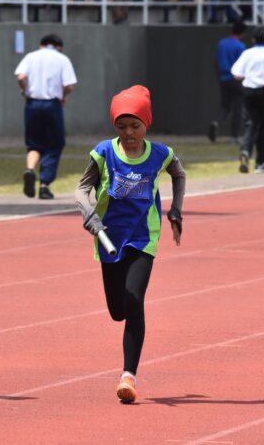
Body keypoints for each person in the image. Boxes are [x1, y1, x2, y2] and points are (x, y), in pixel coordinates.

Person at [74, 85, 185, 404]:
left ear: (146, 124)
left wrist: (175, 210)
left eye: (135, 125)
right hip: (109, 238)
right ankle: (123, 324)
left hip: (143, 237)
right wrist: (89, 216)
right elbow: (82, 191)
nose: (128, 132)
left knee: (134, 298)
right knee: (116, 310)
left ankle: (128, 376)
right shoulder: (104, 152)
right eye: (121, 126)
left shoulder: (161, 154)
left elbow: (179, 174)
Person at [14, 34, 77, 200]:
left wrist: (24, 91)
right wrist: (63, 96)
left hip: (32, 104)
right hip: (51, 104)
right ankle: (44, 185)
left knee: (34, 143)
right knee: (55, 144)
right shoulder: (62, 59)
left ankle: (29, 169)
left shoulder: (30, 56)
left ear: (41, 44)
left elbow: (21, 77)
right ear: (59, 46)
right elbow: (70, 85)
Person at [230, 25, 264, 173]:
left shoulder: (247, 53)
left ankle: (245, 151)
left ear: (253, 39)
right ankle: (260, 162)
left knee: (250, 124)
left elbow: (236, 73)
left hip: (248, 91)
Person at [209, 21, 247, 143]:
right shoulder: (240, 46)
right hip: (235, 79)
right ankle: (235, 136)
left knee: (225, 106)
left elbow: (216, 62)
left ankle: (216, 122)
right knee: (238, 108)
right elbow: (242, 65)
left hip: (223, 79)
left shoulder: (221, 43)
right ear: (242, 32)